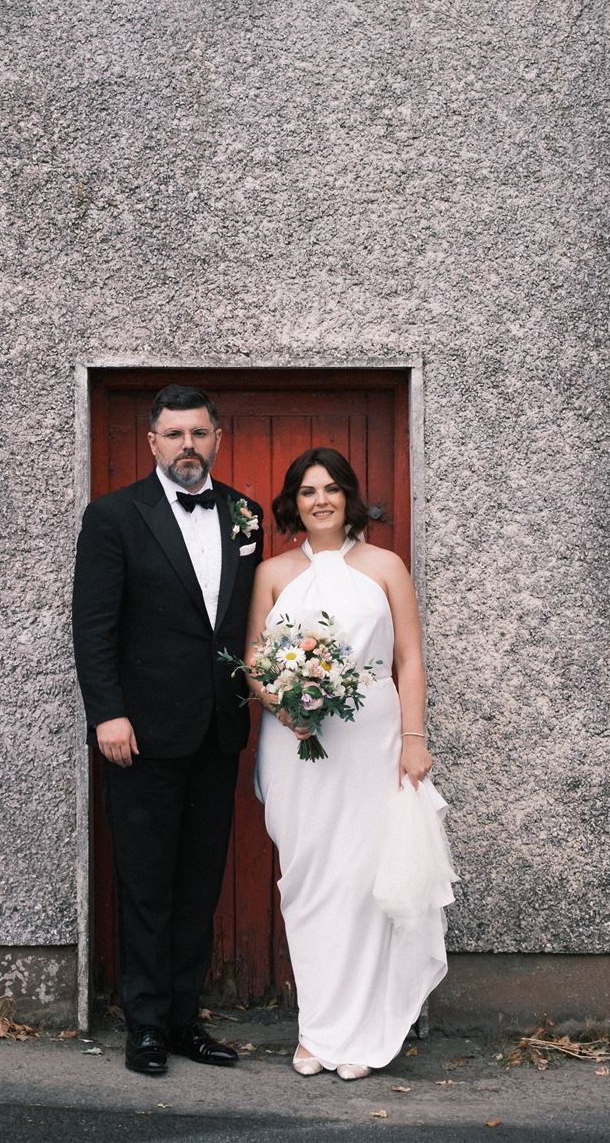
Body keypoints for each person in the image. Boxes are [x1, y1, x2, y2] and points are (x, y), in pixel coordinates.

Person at [71, 384, 264, 1075]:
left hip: (217, 730)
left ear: (218, 436)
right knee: (147, 882)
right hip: (141, 735)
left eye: (199, 432)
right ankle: (145, 1026)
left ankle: (184, 1020)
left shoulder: (246, 514)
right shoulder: (114, 517)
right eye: (174, 433)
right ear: (152, 442)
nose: (188, 444)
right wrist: (107, 713)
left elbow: (242, 620)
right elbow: (93, 628)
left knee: (198, 882)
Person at [246, 446, 445, 1080]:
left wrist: (414, 737)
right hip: (297, 741)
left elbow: (408, 658)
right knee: (308, 883)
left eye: (331, 489)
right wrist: (282, 705)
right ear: (293, 503)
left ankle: (358, 1033)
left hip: (371, 739)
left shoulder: (385, 565)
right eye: (307, 492)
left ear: (349, 496)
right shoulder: (274, 572)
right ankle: (317, 1030)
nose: (320, 500)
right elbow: (254, 656)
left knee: (362, 880)